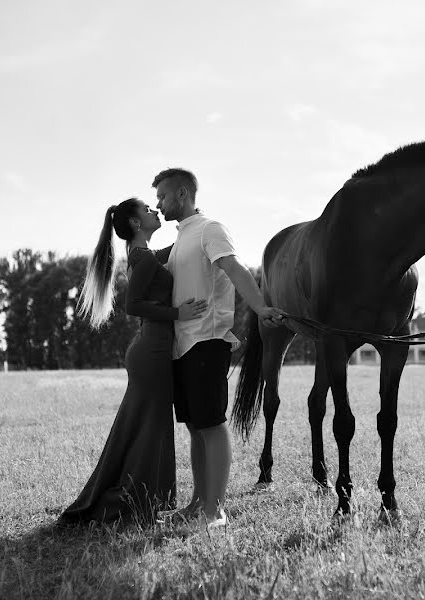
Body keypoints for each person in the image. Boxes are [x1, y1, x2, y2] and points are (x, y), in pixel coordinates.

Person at [57, 197, 208, 526]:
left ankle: (137, 500)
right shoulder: (142, 257)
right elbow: (133, 304)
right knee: (152, 429)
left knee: (142, 428)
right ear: (137, 223)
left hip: (150, 350)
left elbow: (173, 253)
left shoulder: (144, 255)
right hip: (151, 351)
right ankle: (138, 503)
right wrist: (177, 313)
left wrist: (193, 225)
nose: (155, 211)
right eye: (148, 210)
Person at [152, 168, 285, 529]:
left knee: (211, 425)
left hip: (208, 341)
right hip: (183, 344)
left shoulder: (210, 229)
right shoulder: (182, 237)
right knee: (195, 427)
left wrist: (260, 308)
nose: (158, 204)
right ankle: (198, 504)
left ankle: (216, 511)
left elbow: (234, 268)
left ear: (182, 194)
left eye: (162, 196)